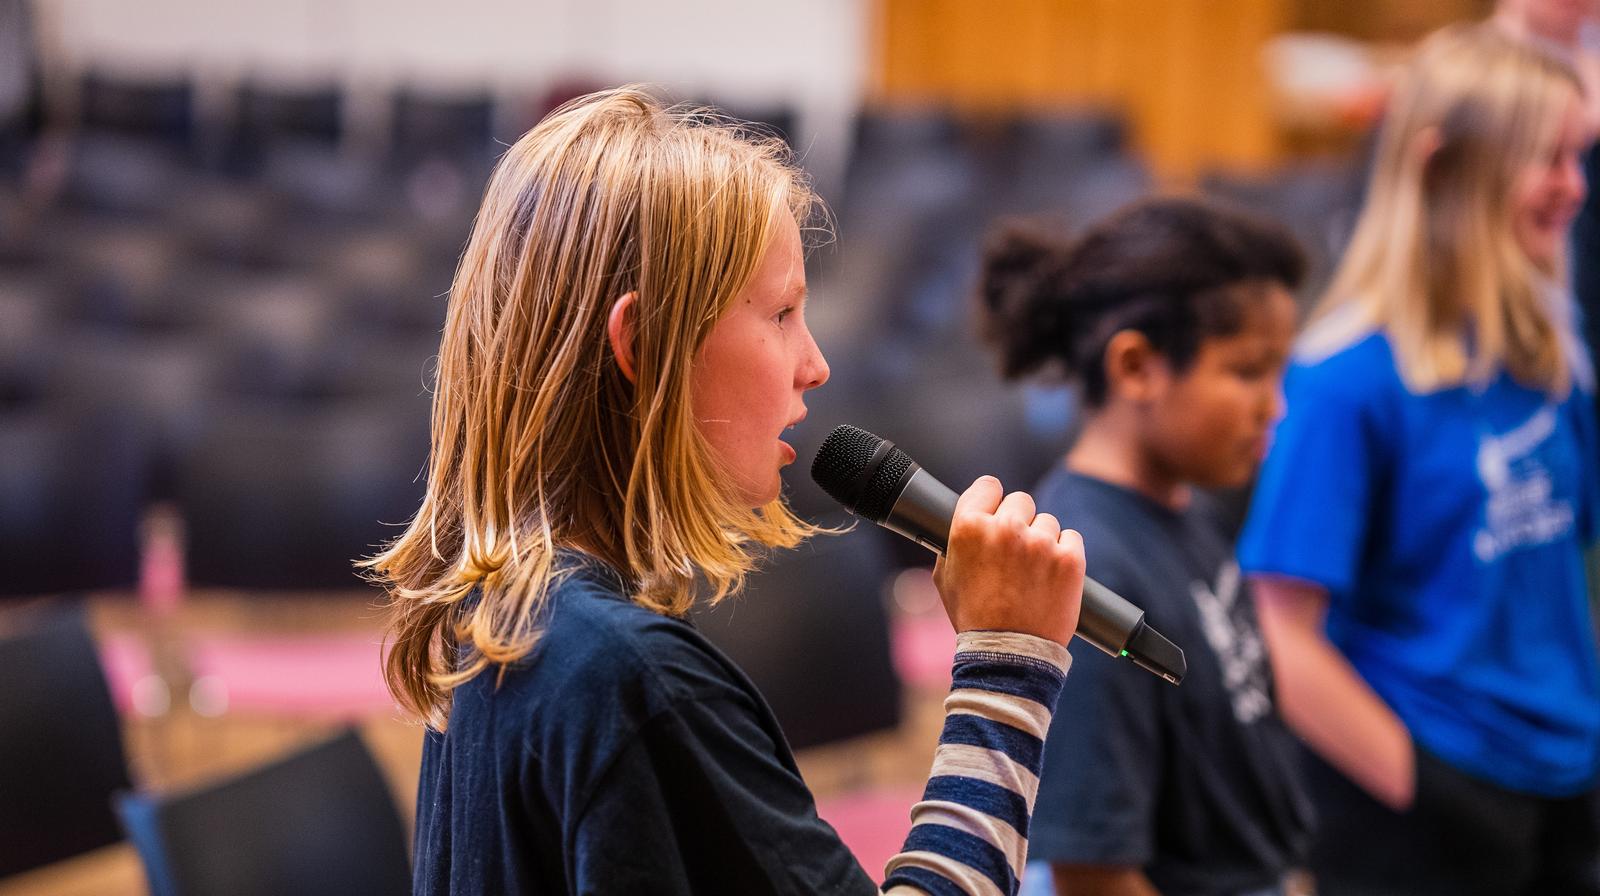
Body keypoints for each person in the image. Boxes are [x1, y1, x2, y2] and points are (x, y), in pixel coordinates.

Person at [363, 87, 1091, 896]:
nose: (814, 365)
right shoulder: (631, 678)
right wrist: (1005, 667)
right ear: (642, 345)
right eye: (781, 313)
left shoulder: (502, 613)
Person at [1238, 24, 1600, 895]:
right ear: (1441, 168)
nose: (1574, 188)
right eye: (1547, 159)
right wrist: (1434, 793)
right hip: (1433, 814)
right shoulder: (1346, 382)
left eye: (1577, 157)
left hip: (1564, 782)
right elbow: (1287, 644)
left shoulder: (1545, 356)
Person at [979, 198, 1313, 896]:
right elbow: (1093, 873)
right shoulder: (1089, 568)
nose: (1274, 405)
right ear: (1136, 367)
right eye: (1250, 371)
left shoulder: (1185, 507)